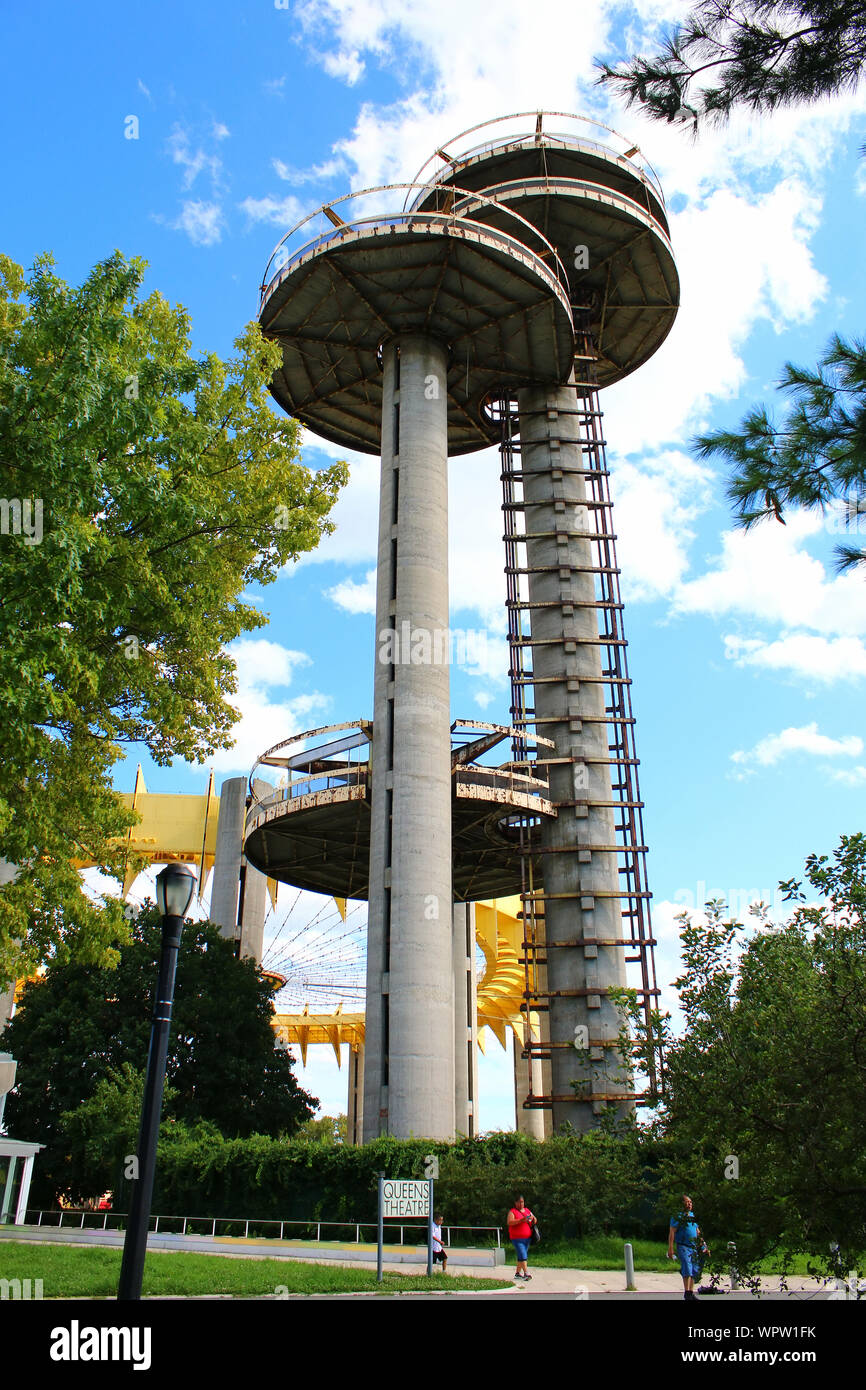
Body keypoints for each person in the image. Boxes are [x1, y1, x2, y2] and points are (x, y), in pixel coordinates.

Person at [667, 1194, 708, 1300]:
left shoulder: (692, 1216)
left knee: (694, 1269)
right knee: (687, 1267)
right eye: (687, 1202)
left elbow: (697, 1232)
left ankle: (690, 1291)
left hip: (693, 1246)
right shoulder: (678, 1216)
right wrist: (670, 1248)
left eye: (691, 1202)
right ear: (682, 1203)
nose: (689, 1204)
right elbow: (672, 1232)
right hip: (683, 1245)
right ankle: (687, 1292)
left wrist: (704, 1245)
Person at [507, 1195, 536, 1282]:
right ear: (515, 1203)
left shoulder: (527, 1210)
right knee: (523, 1255)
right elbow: (509, 1222)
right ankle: (526, 1273)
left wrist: (532, 1218)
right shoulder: (512, 1212)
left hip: (527, 1238)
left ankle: (517, 1273)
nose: (521, 1204)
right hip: (517, 1238)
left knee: (521, 1256)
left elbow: (535, 1220)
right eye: (519, 1202)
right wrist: (521, 1220)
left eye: (522, 1202)